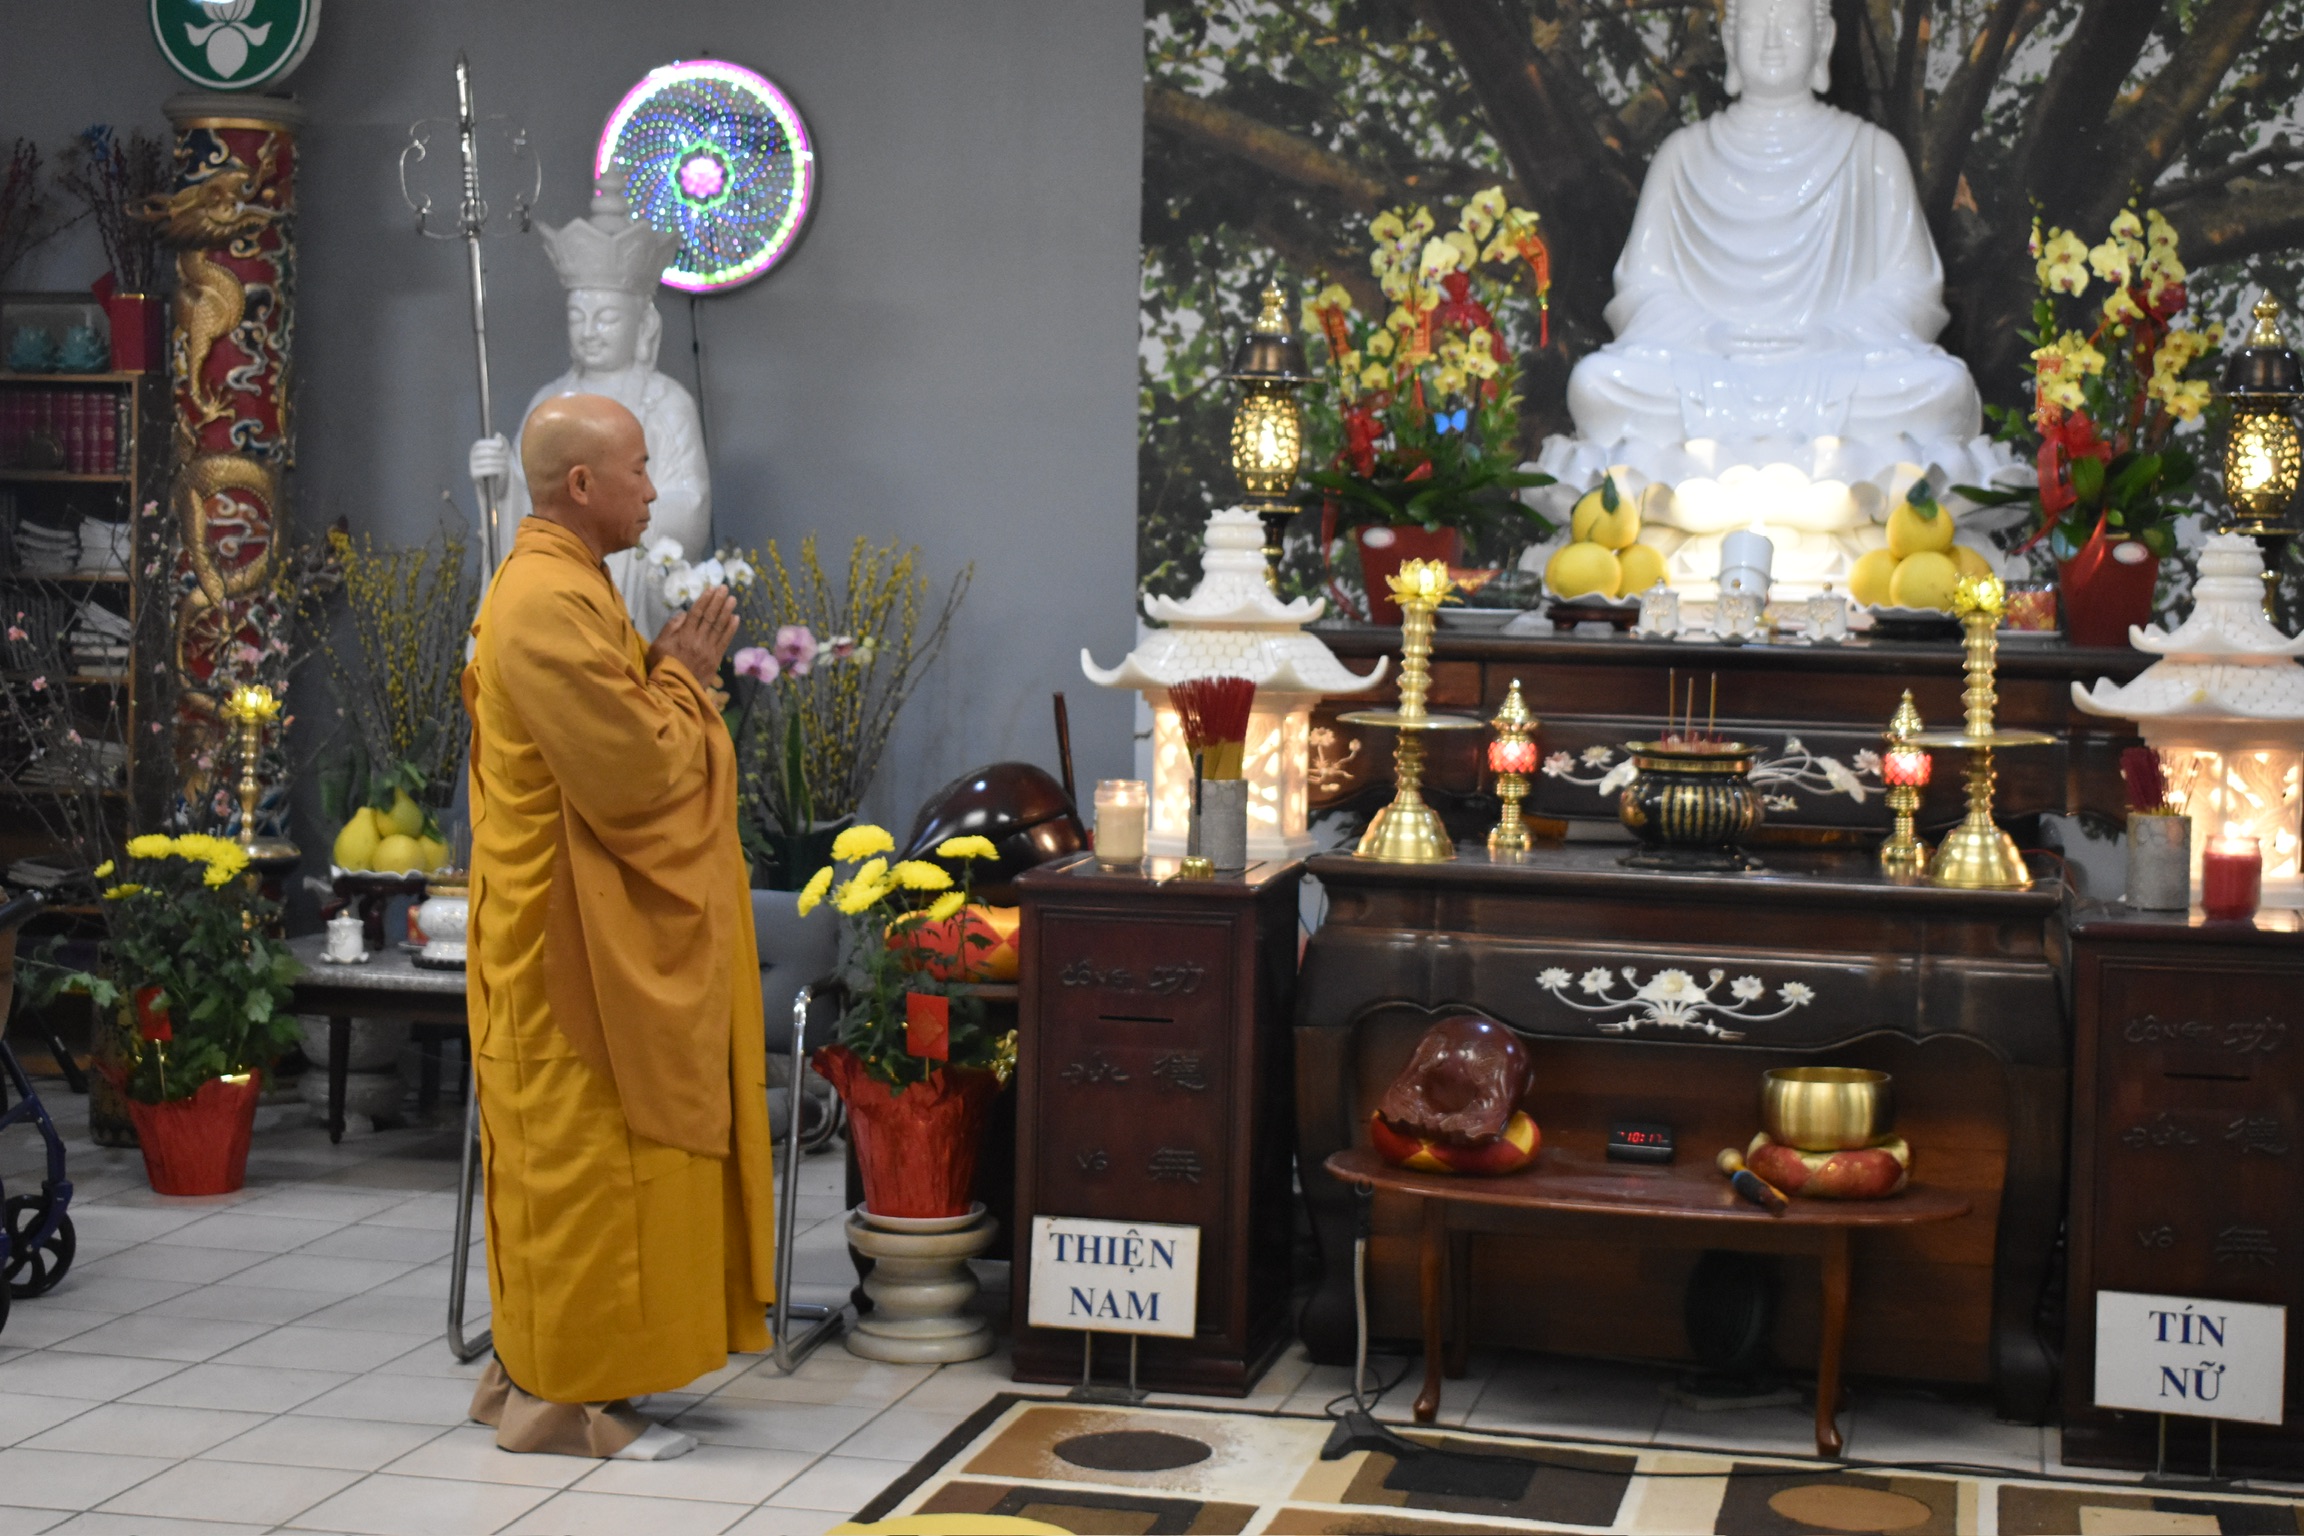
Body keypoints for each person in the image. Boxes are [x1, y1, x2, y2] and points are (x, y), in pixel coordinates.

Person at [461, 392, 772, 1459]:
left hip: (577, 934)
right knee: (588, 1171)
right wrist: (683, 674)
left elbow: (619, 725)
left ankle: (563, 1370)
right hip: (568, 952)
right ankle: (576, 1401)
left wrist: (662, 673)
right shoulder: (545, 601)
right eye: (638, 468)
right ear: (581, 484)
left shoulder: (573, 583)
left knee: (606, 1165)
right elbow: (636, 771)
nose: (654, 487)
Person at [469, 171, 709, 639]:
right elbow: (526, 504)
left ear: (642, 324)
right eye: (577, 317)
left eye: (607, 318)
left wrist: (606, 517)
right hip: (556, 587)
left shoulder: (666, 403)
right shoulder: (550, 403)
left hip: (626, 580)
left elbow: (690, 506)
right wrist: (499, 487)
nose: (589, 331)